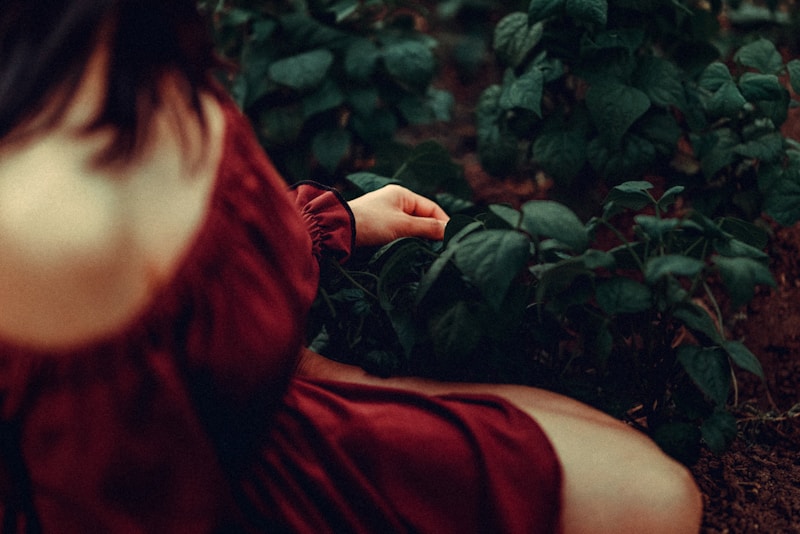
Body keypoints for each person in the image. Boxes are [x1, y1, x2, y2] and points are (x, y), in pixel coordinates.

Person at [0, 1, 702, 533]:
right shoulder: (47, 219)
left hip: (248, 414)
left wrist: (335, 222)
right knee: (648, 501)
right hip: (212, 485)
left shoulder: (119, 49)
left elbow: (192, 276)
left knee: (644, 480)